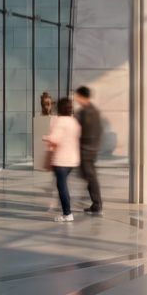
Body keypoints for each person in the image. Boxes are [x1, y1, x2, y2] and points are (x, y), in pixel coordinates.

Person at [43, 97, 82, 222]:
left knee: (62, 186)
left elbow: (55, 138)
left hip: (61, 159)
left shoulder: (60, 121)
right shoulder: (74, 121)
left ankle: (67, 213)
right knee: (62, 184)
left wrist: (45, 137)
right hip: (73, 159)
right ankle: (66, 210)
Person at [74, 86, 103, 214]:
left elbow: (79, 131)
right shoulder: (94, 111)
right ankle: (95, 202)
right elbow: (99, 130)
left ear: (81, 96)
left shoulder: (85, 112)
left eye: (77, 95)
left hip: (85, 150)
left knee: (90, 177)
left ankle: (97, 203)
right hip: (91, 149)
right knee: (89, 176)